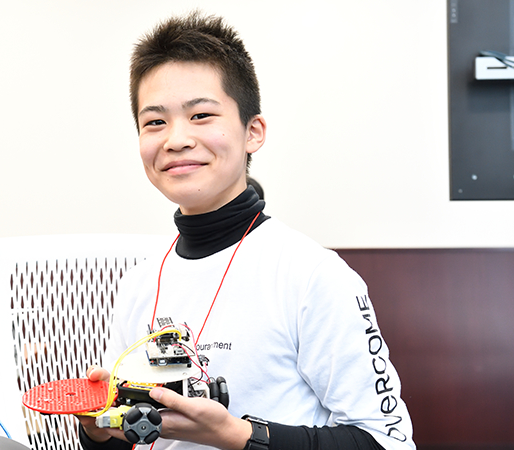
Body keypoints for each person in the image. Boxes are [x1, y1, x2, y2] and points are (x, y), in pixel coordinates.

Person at [77, 11, 415, 450]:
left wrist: (236, 436)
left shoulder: (312, 276)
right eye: (155, 122)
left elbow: (387, 442)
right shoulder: (139, 283)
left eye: (201, 115)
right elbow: (131, 434)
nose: (175, 139)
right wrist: (98, 433)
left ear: (253, 132)